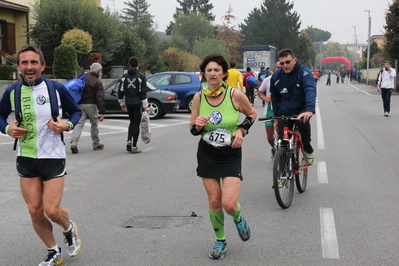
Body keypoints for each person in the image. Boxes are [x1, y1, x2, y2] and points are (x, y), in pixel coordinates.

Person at [0, 45, 82, 266]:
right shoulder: (12, 92)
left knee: (51, 210)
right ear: (18, 66)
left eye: (34, 62)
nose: (29, 66)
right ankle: (53, 251)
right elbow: (0, 117)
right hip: (26, 157)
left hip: (53, 156)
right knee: (34, 210)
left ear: (43, 66)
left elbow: (76, 111)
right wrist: (7, 129)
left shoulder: (56, 88)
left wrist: (68, 124)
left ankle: (68, 228)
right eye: (24, 62)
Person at [190, 53, 257, 260]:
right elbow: (193, 129)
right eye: (209, 70)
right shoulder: (199, 97)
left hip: (230, 153)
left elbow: (252, 114)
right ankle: (220, 241)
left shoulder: (235, 95)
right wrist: (198, 125)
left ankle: (238, 217)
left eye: (216, 70)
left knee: (229, 203)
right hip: (207, 153)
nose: (212, 73)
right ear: (204, 74)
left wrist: (240, 131)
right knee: (214, 202)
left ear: (224, 74)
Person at [270, 48, 317, 165]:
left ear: (294, 60)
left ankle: (308, 150)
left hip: (302, 108)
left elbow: (310, 89)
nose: (285, 65)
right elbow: (275, 98)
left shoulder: (304, 72)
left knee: (302, 122)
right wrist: (276, 117)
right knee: (283, 141)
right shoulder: (276, 76)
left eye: (288, 62)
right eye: (282, 63)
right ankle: (282, 174)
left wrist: (310, 110)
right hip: (285, 110)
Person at [70, 62, 105, 154]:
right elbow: (99, 98)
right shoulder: (98, 82)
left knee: (79, 124)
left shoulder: (83, 78)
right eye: (100, 70)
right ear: (98, 71)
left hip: (80, 104)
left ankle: (74, 143)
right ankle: (96, 144)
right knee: (94, 125)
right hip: (91, 105)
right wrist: (102, 111)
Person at [118, 56, 149, 153]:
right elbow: (143, 93)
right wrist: (145, 107)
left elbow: (120, 91)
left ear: (129, 65)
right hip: (137, 103)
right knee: (136, 124)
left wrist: (122, 103)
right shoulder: (141, 77)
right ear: (138, 65)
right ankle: (134, 146)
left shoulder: (124, 77)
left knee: (131, 122)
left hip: (128, 102)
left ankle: (129, 141)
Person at [257, 62, 280, 158]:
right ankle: (273, 147)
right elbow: (260, 92)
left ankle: (281, 151)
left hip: (281, 109)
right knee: (269, 135)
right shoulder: (268, 80)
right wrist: (265, 98)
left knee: (280, 132)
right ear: (274, 69)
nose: (280, 69)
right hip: (269, 110)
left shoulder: (289, 79)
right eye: (278, 67)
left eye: (281, 67)